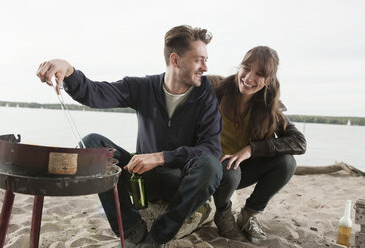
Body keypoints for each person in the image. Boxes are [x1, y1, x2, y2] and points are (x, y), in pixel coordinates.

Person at [36, 25, 223, 248]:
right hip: (143, 180)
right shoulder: (142, 87)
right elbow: (96, 93)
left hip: (181, 182)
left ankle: (158, 237)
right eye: (199, 60)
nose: (205, 67)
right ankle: (133, 230)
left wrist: (161, 157)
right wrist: (68, 70)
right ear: (175, 60)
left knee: (211, 165)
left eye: (205, 60)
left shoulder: (205, 94)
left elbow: (211, 150)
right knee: (91, 143)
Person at [208, 46, 306, 244]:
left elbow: (299, 142)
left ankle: (249, 215)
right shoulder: (216, 90)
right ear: (240, 67)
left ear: (268, 80)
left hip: (238, 171)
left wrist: (251, 149)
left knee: (286, 163)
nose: (249, 78)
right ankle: (224, 214)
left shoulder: (269, 106)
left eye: (260, 74)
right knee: (230, 170)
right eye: (246, 68)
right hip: (209, 168)